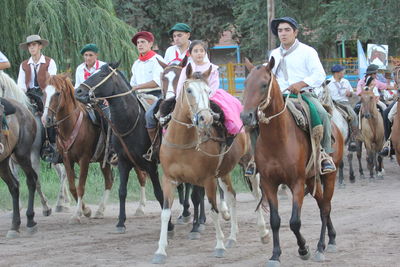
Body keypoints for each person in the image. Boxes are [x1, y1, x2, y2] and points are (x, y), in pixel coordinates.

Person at [269, 16, 335, 173]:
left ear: (295, 32)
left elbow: (319, 74)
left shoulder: (307, 51)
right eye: (280, 31)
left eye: (287, 30)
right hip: (279, 97)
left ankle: (324, 154)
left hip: (303, 95)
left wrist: (301, 83)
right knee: (254, 118)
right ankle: (255, 158)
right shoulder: (274, 53)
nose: (283, 34)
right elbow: (268, 74)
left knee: (322, 114)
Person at [175, 40, 243, 139]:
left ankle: (225, 135)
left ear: (205, 53)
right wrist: (178, 99)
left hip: (210, 96)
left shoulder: (212, 68)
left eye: (202, 51)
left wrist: (205, 98)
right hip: (190, 97)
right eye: (196, 51)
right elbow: (181, 85)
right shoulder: (186, 69)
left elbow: (214, 85)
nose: (199, 53)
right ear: (190, 53)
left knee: (222, 112)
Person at [130, 31, 165, 160]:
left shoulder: (157, 60)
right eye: (138, 43)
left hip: (155, 94)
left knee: (149, 115)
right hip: (138, 95)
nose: (140, 45)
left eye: (143, 42)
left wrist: (137, 87)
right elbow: (132, 83)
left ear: (150, 44)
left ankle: (155, 149)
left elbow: (157, 82)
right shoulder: (136, 63)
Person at [17, 34, 57, 113]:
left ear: (40, 46)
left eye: (34, 44)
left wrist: (45, 97)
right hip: (29, 95)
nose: (31, 47)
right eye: (29, 46)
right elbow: (21, 86)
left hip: (44, 94)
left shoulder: (50, 62)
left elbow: (51, 83)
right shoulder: (24, 65)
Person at [327, 64, 359, 151]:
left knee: (354, 116)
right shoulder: (328, 82)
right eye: (342, 71)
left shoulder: (345, 81)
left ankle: (353, 139)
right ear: (337, 73)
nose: (343, 73)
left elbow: (352, 93)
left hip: (344, 103)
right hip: (332, 103)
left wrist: (350, 93)